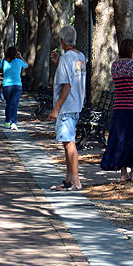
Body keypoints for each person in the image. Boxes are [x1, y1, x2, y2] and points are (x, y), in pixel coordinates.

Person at [101, 38, 133, 182]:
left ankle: (123, 173)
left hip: (119, 108)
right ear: (130, 50)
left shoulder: (115, 65)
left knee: (121, 139)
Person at [48, 26, 87, 191]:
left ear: (62, 41)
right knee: (67, 142)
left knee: (69, 143)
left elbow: (67, 86)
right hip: (76, 104)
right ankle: (69, 178)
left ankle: (76, 180)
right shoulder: (80, 57)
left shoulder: (66, 58)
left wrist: (56, 108)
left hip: (66, 106)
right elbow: (72, 76)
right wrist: (58, 62)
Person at [1, 46, 27, 130]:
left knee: (8, 103)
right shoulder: (19, 61)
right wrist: (20, 56)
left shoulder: (4, 61)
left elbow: (0, 67)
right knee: (14, 104)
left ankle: (7, 121)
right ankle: (14, 122)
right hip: (17, 85)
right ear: (16, 54)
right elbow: (26, 66)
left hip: (6, 85)